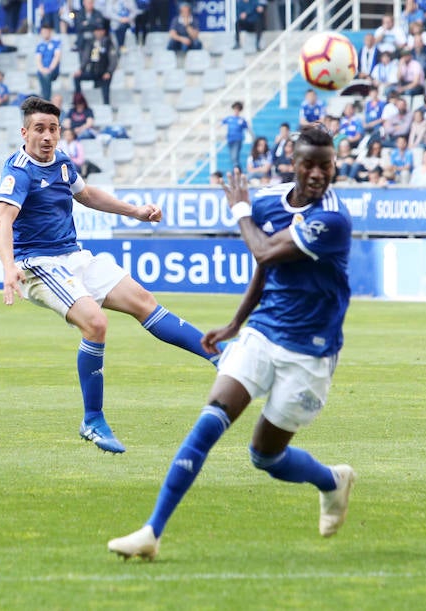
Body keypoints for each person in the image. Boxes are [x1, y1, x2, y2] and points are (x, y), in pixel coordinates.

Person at [107, 125, 356, 560]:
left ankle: (332, 481)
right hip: (263, 331)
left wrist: (240, 211)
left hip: (310, 351)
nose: (318, 174)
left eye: (326, 165)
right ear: (293, 165)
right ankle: (152, 532)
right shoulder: (268, 202)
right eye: (309, 165)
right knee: (210, 418)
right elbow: (267, 268)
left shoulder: (332, 220)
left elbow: (264, 251)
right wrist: (235, 324)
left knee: (265, 457)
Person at [0, 97, 222, 455]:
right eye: (39, 129)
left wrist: (135, 212)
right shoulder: (19, 171)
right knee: (96, 324)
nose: (48, 136)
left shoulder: (63, 164)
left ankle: (219, 354)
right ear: (24, 132)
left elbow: (87, 195)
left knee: (143, 301)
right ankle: (92, 420)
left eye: (53, 128)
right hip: (39, 265)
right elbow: (3, 219)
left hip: (75, 257)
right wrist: (8, 267)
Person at [74, 21, 118, 105]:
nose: (98, 32)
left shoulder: (108, 43)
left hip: (104, 72)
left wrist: (109, 72)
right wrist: (81, 69)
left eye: (100, 30)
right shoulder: (91, 43)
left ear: (103, 31)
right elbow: (86, 57)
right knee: (77, 77)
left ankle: (106, 105)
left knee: (105, 88)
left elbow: (113, 59)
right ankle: (77, 100)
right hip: (93, 71)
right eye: (96, 30)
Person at [35, 23, 62, 103]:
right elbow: (38, 60)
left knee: (47, 76)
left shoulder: (56, 43)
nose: (45, 34)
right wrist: (42, 69)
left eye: (46, 32)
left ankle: (46, 98)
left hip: (53, 70)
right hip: (44, 70)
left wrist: (50, 68)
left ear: (50, 32)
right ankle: (45, 97)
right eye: (43, 32)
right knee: (40, 73)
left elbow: (57, 57)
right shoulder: (40, 46)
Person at [222, 101, 250, 171]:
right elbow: (221, 123)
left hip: (237, 139)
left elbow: (248, 128)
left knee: (235, 156)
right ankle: (238, 171)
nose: (236, 111)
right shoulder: (229, 118)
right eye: (235, 109)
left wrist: (253, 138)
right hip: (230, 139)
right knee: (233, 157)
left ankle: (236, 170)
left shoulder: (241, 120)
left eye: (238, 109)